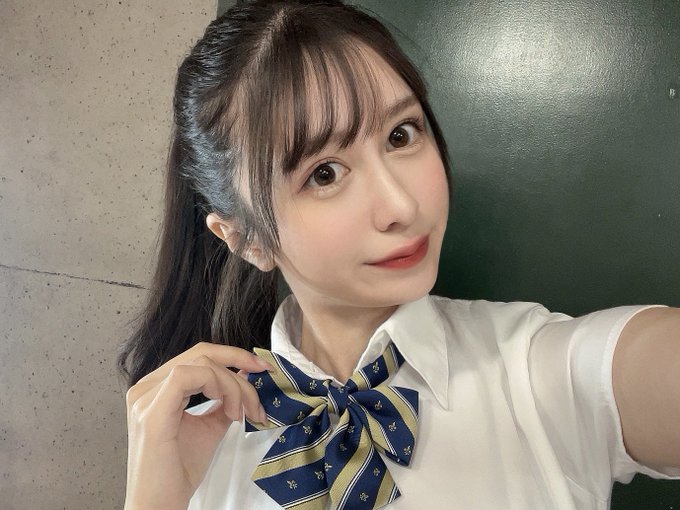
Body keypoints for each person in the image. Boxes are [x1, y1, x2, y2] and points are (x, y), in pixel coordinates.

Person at [118, 1, 680, 509]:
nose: (401, 205)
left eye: (401, 134)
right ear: (246, 239)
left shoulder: (541, 372)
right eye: (324, 174)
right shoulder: (194, 452)